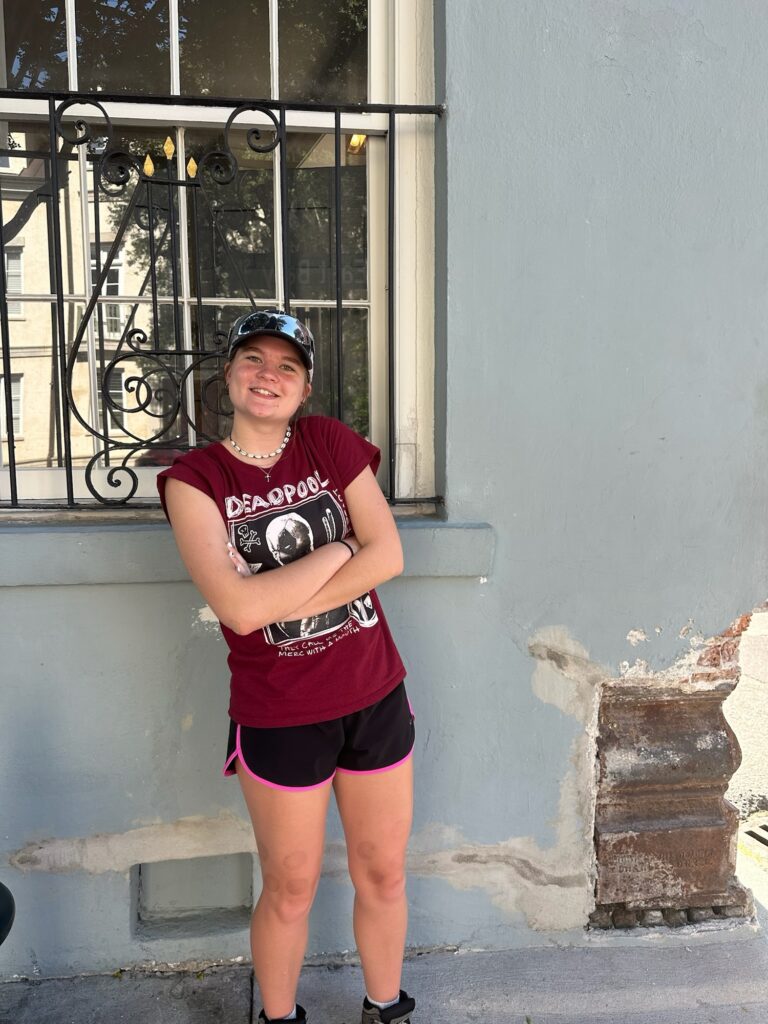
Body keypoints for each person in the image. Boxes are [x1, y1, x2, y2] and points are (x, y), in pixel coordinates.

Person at [157, 309, 416, 1024]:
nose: (268, 375)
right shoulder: (195, 480)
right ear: (228, 375)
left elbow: (389, 555)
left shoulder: (329, 442)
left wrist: (279, 594)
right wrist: (339, 551)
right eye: (254, 360)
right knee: (292, 886)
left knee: (383, 871)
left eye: (287, 367)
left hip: (373, 693)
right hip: (280, 712)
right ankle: (277, 1019)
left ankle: (385, 1008)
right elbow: (237, 612)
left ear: (304, 389)